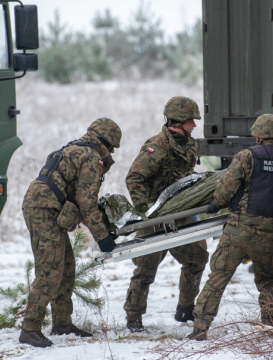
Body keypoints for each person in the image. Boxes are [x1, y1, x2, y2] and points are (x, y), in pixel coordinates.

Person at [187, 114, 273, 341]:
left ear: (259, 135)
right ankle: (270, 324)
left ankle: (200, 329)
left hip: (238, 231)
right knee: (268, 281)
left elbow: (227, 186)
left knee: (218, 278)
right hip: (271, 235)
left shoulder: (247, 156)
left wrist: (216, 204)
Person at [19, 117, 122, 348]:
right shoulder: (92, 157)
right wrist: (102, 236)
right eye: (113, 146)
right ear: (106, 142)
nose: (113, 151)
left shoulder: (73, 148)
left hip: (45, 207)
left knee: (66, 267)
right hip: (43, 210)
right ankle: (30, 328)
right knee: (50, 270)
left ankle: (62, 324)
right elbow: (87, 203)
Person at [123, 96, 209, 333]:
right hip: (155, 219)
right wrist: (145, 211)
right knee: (145, 269)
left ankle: (185, 309)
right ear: (178, 122)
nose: (194, 125)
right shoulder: (157, 146)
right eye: (191, 121)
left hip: (181, 216)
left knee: (197, 258)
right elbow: (134, 178)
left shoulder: (189, 144)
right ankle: (134, 317)